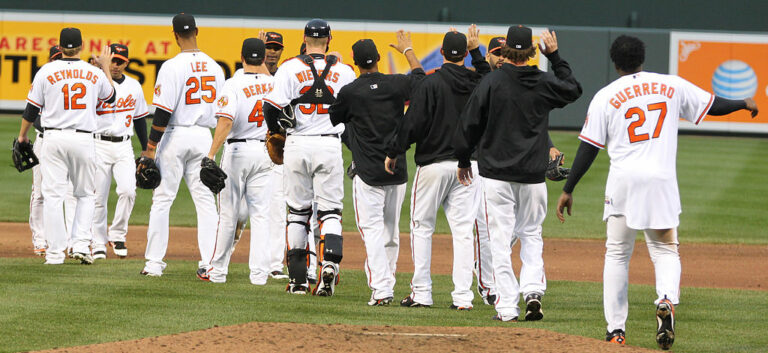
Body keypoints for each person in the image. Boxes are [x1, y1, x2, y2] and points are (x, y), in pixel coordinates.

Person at [555, 35, 758, 349]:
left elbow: (589, 148)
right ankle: (665, 300)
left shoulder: (606, 95)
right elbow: (712, 104)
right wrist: (742, 104)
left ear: (615, 62)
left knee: (617, 255)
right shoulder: (670, 85)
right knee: (665, 251)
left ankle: (615, 331)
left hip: (622, 184)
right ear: (642, 59)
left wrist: (569, 189)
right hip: (661, 183)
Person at [454, 26, 582, 322]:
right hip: (533, 176)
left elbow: (469, 125)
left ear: (507, 49)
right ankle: (533, 290)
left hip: (496, 176)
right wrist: (556, 56)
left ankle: (507, 307)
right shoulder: (542, 81)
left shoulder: (492, 81)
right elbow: (573, 89)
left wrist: (463, 159)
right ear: (532, 51)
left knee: (499, 241)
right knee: (532, 234)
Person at [385, 26, 490, 310]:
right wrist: (477, 51)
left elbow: (412, 123)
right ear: (465, 55)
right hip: (468, 167)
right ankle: (463, 298)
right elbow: (489, 76)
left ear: (441, 53)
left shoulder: (430, 83)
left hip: (433, 166)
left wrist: (396, 150)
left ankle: (422, 293)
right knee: (464, 231)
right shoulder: (478, 82)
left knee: (422, 228)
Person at [328, 31, 425, 306]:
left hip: (368, 173)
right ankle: (387, 282)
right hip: (397, 170)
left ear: (355, 62)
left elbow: (334, 117)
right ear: (379, 59)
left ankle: (382, 290)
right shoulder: (396, 84)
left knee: (371, 231)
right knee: (391, 232)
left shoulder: (350, 92)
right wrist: (407, 50)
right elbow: (420, 81)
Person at [263, 18, 356, 295]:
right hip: (329, 143)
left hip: (298, 144)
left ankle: (298, 282)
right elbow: (352, 115)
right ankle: (328, 264)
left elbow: (271, 108)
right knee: (330, 211)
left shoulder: (289, 67)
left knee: (297, 213)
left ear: (304, 38)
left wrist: (276, 132)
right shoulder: (345, 71)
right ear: (330, 39)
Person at [19, 27, 116, 265]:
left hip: (53, 138)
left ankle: (54, 254)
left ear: (60, 47)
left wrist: (22, 136)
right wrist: (104, 66)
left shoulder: (46, 71)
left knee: (53, 195)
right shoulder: (92, 73)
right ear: (81, 45)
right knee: (84, 194)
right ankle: (81, 245)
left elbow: (32, 110)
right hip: (83, 139)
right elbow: (111, 97)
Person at [140, 13, 225, 279]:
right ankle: (210, 262)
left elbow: (163, 113)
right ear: (197, 31)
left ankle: (154, 263)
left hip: (175, 137)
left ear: (174, 34)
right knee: (205, 202)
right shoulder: (215, 67)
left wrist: (151, 147)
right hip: (203, 135)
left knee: (162, 199)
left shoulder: (172, 66)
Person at [205, 38, 275, 284]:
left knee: (228, 214)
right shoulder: (274, 84)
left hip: (237, 152)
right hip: (265, 152)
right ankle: (259, 275)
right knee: (261, 215)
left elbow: (225, 121)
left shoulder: (232, 84)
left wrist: (211, 154)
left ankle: (217, 271)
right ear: (264, 58)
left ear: (242, 57)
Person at [91, 43, 149, 260]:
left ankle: (117, 235)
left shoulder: (134, 86)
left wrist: (146, 148)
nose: (115, 65)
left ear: (127, 63)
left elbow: (140, 118)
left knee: (128, 191)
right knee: (98, 196)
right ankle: (97, 241)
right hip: (98, 144)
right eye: (112, 60)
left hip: (124, 144)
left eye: (120, 61)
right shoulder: (95, 82)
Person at [28, 45, 78, 257]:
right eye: (55, 58)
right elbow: (33, 113)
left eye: (61, 57)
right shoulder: (42, 78)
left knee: (69, 191)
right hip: (44, 139)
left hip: (67, 140)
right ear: (50, 59)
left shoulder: (73, 81)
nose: (58, 61)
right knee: (40, 191)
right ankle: (40, 239)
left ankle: (70, 241)